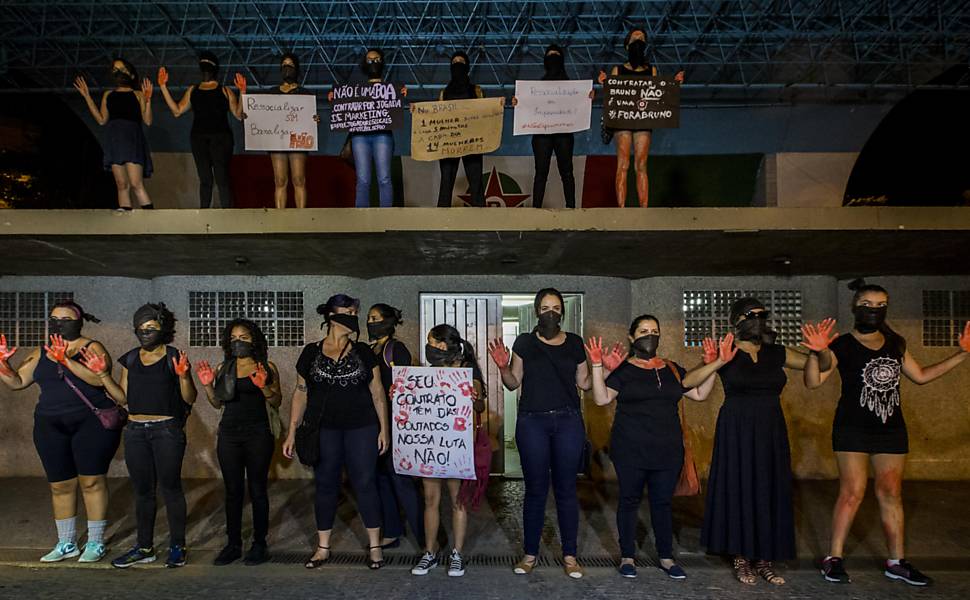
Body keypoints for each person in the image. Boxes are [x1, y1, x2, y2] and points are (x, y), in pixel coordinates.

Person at [804, 280, 970, 586]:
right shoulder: (842, 344)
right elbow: (814, 382)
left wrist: (961, 354)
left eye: (881, 306)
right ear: (855, 307)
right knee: (852, 492)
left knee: (891, 493)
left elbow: (920, 376)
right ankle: (834, 558)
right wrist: (817, 353)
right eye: (868, 305)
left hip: (890, 429)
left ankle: (896, 562)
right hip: (852, 427)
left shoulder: (896, 343)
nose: (874, 310)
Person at [683, 297, 829, 586]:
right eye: (750, 315)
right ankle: (740, 556)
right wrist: (717, 361)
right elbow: (688, 381)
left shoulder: (777, 353)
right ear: (736, 321)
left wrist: (820, 350)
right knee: (738, 487)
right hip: (736, 427)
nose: (758, 319)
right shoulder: (727, 352)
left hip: (770, 428)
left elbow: (820, 365)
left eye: (762, 315)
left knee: (768, 486)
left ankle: (764, 557)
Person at [586, 315, 718, 579]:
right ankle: (627, 557)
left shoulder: (672, 369)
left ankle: (667, 558)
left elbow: (700, 394)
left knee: (662, 504)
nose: (650, 335)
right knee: (629, 501)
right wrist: (598, 365)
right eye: (643, 331)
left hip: (668, 451)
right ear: (632, 337)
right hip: (630, 450)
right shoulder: (624, 370)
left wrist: (712, 365)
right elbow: (601, 398)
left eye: (654, 331)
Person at [77, 303, 197, 568]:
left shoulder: (173, 356)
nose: (145, 333)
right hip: (135, 432)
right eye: (141, 329)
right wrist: (103, 375)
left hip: (166, 431)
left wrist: (185, 376)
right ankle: (144, 547)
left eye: (151, 328)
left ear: (163, 329)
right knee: (143, 492)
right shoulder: (130, 359)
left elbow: (190, 398)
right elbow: (123, 398)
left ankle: (178, 546)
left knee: (171, 488)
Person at [0, 302, 120, 563]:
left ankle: (95, 543)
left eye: (66, 319)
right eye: (54, 319)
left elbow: (99, 379)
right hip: (49, 425)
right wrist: (3, 366)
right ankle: (66, 543)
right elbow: (17, 382)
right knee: (60, 485)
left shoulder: (92, 347)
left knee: (91, 481)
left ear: (79, 322)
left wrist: (64, 359)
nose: (59, 323)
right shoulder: (41, 351)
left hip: (91, 423)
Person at [487, 288, 590, 578]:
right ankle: (530, 554)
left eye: (556, 308)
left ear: (563, 312)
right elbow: (512, 382)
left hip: (568, 421)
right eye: (545, 307)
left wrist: (599, 367)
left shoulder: (575, 343)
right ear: (536, 310)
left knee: (567, 489)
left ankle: (570, 556)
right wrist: (503, 366)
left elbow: (584, 383)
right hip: (532, 422)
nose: (551, 313)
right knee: (535, 489)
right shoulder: (525, 342)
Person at [283, 294, 390, 570]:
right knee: (325, 484)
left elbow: (378, 393)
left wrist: (384, 430)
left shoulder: (365, 352)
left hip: (362, 427)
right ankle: (322, 548)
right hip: (324, 429)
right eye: (348, 310)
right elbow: (300, 393)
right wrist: (292, 431)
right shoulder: (311, 352)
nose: (353, 315)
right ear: (331, 316)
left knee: (365, 483)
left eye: (356, 310)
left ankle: (375, 547)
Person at [196, 319, 282, 566]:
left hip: (258, 434)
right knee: (233, 491)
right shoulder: (224, 366)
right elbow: (217, 403)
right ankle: (233, 544)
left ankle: (259, 544)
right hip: (229, 435)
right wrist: (207, 386)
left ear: (254, 339)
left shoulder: (266, 366)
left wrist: (263, 386)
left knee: (257, 489)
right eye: (234, 337)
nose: (238, 341)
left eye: (244, 337)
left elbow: (276, 401)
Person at [410, 324, 486, 578]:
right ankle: (429, 553)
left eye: (431, 342)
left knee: (457, 501)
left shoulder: (466, 371)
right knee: (430, 500)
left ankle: (457, 554)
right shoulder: (427, 374)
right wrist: (401, 394)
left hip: (456, 447)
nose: (429, 347)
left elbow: (479, 404)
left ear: (443, 345)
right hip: (431, 445)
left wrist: (475, 396)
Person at [597, 27, 684, 207]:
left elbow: (658, 95)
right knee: (623, 163)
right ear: (627, 45)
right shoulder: (617, 70)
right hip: (622, 120)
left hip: (643, 120)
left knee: (641, 164)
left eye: (642, 38)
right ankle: (621, 209)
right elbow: (612, 96)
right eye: (635, 37)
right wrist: (605, 84)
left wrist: (675, 85)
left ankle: (643, 209)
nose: (638, 40)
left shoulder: (651, 71)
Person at [366, 304, 425, 549]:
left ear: (388, 322)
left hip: (394, 424)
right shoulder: (370, 349)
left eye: (375, 318)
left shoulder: (395, 349)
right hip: (372, 423)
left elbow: (408, 385)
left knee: (400, 479)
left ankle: (424, 536)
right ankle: (392, 530)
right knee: (381, 478)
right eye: (369, 318)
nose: (370, 322)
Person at [157, 52, 244, 208]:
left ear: (215, 68)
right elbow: (177, 111)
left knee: (221, 176)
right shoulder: (193, 90)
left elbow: (238, 115)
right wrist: (163, 87)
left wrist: (243, 92)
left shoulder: (225, 90)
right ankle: (204, 213)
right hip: (199, 138)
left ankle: (228, 213)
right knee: (205, 178)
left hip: (221, 138)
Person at [511, 45, 593, 208]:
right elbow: (527, 104)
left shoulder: (573, 88)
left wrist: (587, 97)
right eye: (550, 55)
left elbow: (579, 103)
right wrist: (518, 102)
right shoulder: (535, 89)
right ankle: (536, 209)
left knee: (567, 171)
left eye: (556, 55)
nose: (553, 58)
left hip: (564, 133)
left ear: (562, 60)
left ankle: (571, 207)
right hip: (542, 134)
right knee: (541, 172)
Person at [240, 53, 319, 209]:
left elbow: (310, 117)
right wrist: (250, 116)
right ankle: (280, 220)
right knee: (280, 180)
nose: (287, 67)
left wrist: (314, 119)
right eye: (284, 65)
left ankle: (301, 218)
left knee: (298, 179)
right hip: (277, 141)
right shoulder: (271, 92)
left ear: (296, 69)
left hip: (298, 140)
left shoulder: (305, 94)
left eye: (290, 65)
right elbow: (261, 114)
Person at [74, 58, 155, 210]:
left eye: (122, 69)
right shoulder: (108, 95)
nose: (118, 72)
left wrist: (148, 100)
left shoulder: (137, 94)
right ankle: (124, 222)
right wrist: (87, 96)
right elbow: (101, 120)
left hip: (132, 140)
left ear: (130, 74)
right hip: (115, 140)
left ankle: (150, 219)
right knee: (121, 184)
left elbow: (148, 121)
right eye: (115, 70)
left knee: (136, 183)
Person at [329, 49, 407, 207]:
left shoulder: (392, 89)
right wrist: (335, 98)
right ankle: (361, 221)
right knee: (363, 179)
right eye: (370, 60)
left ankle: (386, 217)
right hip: (359, 137)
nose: (373, 63)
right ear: (365, 64)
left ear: (382, 62)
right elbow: (345, 108)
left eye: (376, 59)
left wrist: (402, 95)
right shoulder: (355, 91)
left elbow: (397, 108)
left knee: (384, 178)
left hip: (382, 135)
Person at [432, 51, 502, 207]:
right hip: (449, 143)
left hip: (472, 143)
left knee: (476, 183)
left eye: (461, 62)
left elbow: (486, 113)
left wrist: (497, 106)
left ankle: (480, 223)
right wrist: (417, 112)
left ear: (467, 67)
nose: (457, 64)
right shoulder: (444, 93)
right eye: (454, 62)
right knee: (446, 182)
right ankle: (442, 222)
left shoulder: (477, 90)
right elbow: (436, 116)